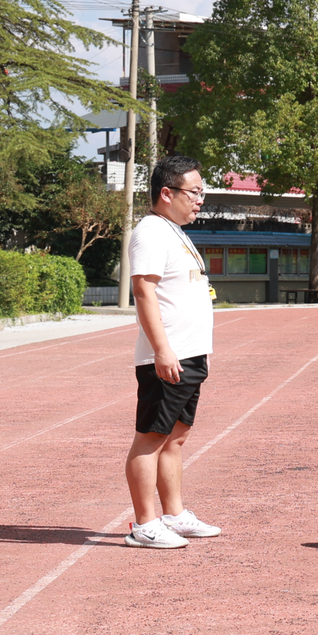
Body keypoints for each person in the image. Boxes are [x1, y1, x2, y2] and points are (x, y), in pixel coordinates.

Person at [123, 155, 224, 549]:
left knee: (175, 438)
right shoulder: (150, 231)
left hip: (189, 355)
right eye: (194, 192)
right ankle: (145, 525)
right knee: (150, 437)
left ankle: (174, 515)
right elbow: (144, 291)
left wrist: (200, 351)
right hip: (166, 358)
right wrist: (164, 350)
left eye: (202, 192)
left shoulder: (174, 231)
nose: (200, 200)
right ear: (167, 193)